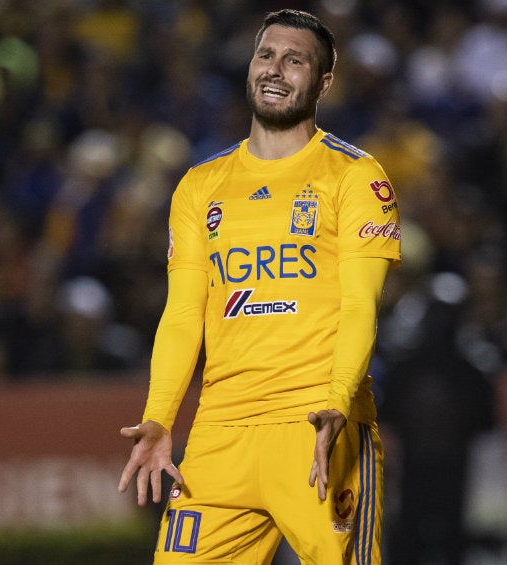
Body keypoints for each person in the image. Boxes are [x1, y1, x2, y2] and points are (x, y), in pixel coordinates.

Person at [118, 9, 401, 564]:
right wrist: (159, 417)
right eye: (266, 55)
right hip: (221, 433)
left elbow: (360, 306)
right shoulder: (200, 186)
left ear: (323, 83)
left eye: (295, 60)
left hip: (317, 425)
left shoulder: (355, 176)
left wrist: (339, 404)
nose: (275, 69)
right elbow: (182, 316)